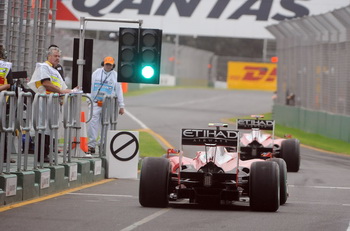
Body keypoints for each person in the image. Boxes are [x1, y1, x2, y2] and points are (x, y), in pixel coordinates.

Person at [28, 46, 73, 162]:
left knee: (50, 129)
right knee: (43, 128)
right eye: (55, 56)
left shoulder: (55, 70)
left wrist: (71, 91)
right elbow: (46, 83)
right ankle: (41, 155)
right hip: (44, 102)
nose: (58, 58)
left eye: (59, 56)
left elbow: (62, 87)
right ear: (49, 56)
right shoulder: (44, 67)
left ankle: (46, 154)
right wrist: (61, 92)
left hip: (53, 103)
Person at [87, 56, 125, 154]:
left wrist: (121, 106)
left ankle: (102, 144)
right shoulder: (96, 73)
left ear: (113, 65)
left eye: (110, 65)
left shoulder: (115, 76)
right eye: (106, 64)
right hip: (95, 102)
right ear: (103, 63)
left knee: (106, 124)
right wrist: (89, 99)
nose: (108, 66)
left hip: (108, 104)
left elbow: (119, 91)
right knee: (92, 122)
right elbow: (89, 85)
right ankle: (91, 144)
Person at [0, 45, 15, 163]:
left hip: (2, 101)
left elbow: (10, 83)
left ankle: (4, 156)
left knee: (2, 128)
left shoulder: (6, 66)